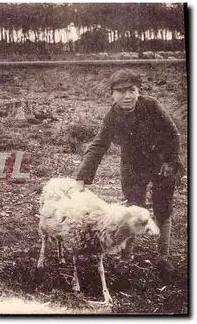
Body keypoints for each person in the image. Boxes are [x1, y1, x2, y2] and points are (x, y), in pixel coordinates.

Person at [75, 69, 184, 277]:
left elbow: (173, 134)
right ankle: (125, 259)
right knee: (134, 208)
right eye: (121, 91)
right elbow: (99, 145)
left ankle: (164, 257)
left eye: (132, 90)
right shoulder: (112, 116)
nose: (127, 96)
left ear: (138, 91)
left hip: (162, 160)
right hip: (134, 164)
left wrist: (170, 161)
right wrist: (82, 177)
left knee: (163, 208)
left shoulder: (151, 105)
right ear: (112, 94)